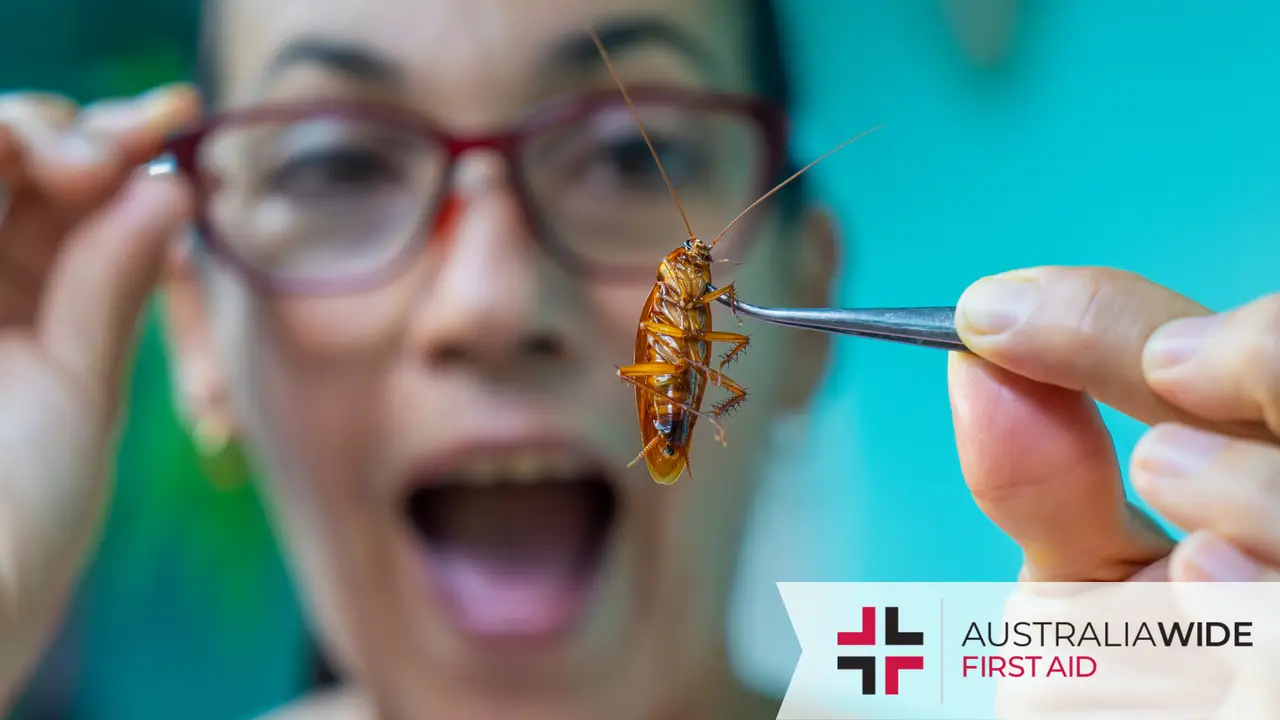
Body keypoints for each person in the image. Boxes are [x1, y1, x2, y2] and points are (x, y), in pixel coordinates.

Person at [0, 0, 1277, 717]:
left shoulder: (965, 682)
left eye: (624, 155)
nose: (493, 300)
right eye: (336, 163)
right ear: (195, 340)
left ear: (808, 303)